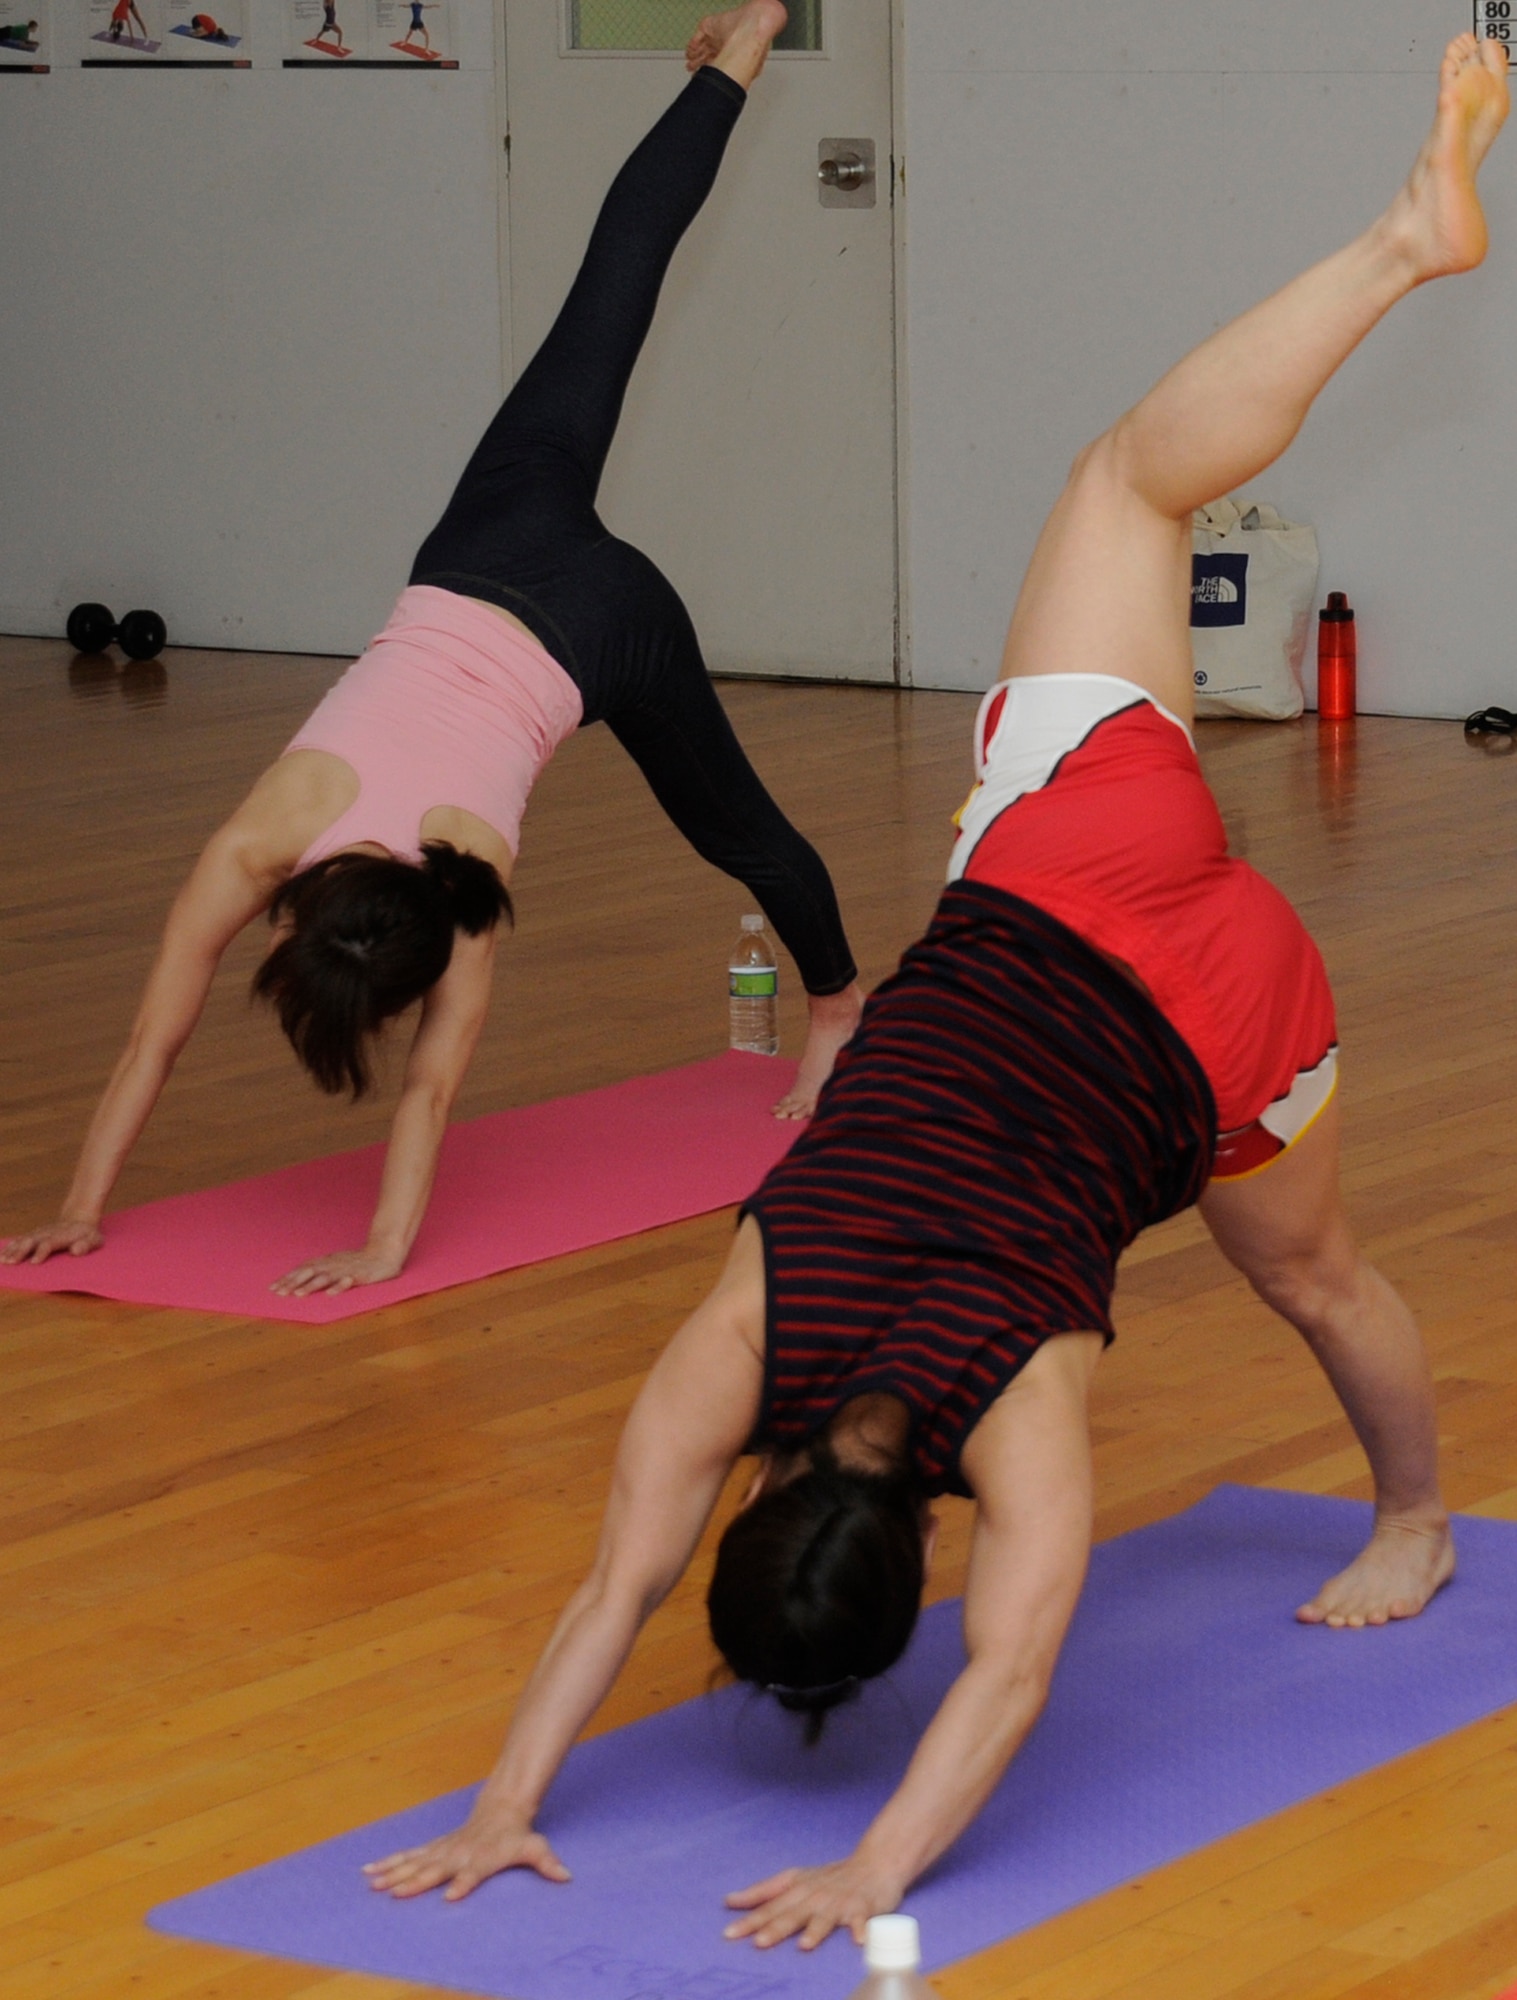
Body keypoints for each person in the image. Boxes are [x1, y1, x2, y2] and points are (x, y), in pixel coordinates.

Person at [363, 29, 1507, 1949]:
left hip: (1223, 1033)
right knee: (1129, 486)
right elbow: (612, 1590)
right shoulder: (744, 1334)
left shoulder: (1014, 1421)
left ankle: (1410, 1518)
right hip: (1077, 875)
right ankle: (1400, 243)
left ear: (911, 1552)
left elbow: (1007, 1674)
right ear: (770, 1497)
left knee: (1309, 1270)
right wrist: (504, 1792)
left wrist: (857, 1873)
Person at [1, 0, 861, 1301]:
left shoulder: (439, 898)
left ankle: (842, 1010)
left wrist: (120, 1213)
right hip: (488, 545)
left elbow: (209, 1056)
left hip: (591, 618)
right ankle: (737, 59)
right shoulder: (287, 848)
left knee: (737, 830)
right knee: (612, 283)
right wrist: (99, 1209)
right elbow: (215, 1057)